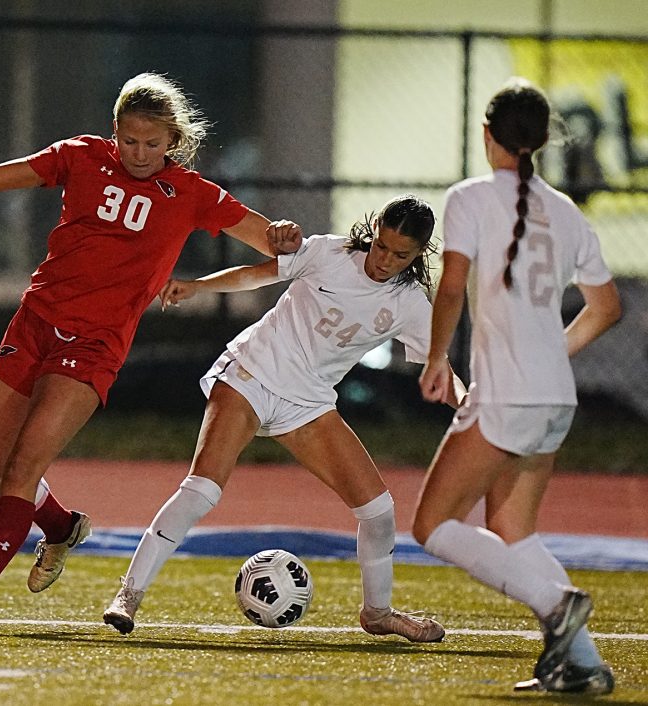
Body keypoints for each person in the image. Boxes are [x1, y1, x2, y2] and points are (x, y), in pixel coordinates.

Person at [0, 72, 301, 634]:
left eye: (152, 143)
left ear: (173, 140)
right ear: (114, 132)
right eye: (129, 141)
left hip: (95, 347)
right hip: (35, 322)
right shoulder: (80, 157)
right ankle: (63, 526)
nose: (139, 153)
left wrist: (285, 234)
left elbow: (274, 243)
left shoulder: (192, 193)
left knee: (23, 468)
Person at [103, 194, 463, 643]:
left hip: (307, 402)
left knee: (378, 511)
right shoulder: (330, 253)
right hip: (251, 372)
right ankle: (128, 597)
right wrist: (199, 286)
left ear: (418, 254)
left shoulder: (411, 303)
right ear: (373, 233)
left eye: (400, 254)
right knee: (202, 489)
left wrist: (471, 411)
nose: (385, 259)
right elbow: (257, 275)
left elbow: (439, 371)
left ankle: (378, 613)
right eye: (381, 246)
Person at [412, 78, 622, 695]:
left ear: (488, 135)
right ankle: (582, 666)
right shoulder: (566, 209)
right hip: (556, 395)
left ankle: (555, 605)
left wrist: (433, 359)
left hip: (506, 395)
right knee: (514, 531)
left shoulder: (470, 197)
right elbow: (607, 307)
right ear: (540, 141)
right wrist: (552, 349)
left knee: (433, 526)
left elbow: (451, 287)